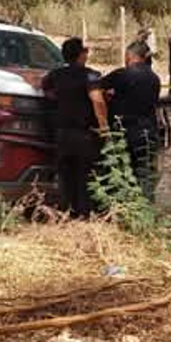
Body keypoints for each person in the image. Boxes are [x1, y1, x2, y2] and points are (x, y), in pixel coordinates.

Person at [41, 37, 109, 217]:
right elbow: (97, 100)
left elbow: (46, 90)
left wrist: (63, 99)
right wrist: (104, 127)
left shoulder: (55, 75)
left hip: (62, 134)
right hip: (84, 135)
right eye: (85, 51)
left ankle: (67, 214)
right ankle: (84, 216)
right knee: (85, 176)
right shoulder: (91, 75)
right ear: (81, 55)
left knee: (66, 177)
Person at [99, 41, 162, 201]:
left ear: (129, 56)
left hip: (126, 132)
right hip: (148, 131)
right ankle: (145, 213)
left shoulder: (123, 74)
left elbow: (96, 87)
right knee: (146, 176)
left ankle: (124, 211)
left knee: (122, 174)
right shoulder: (154, 78)